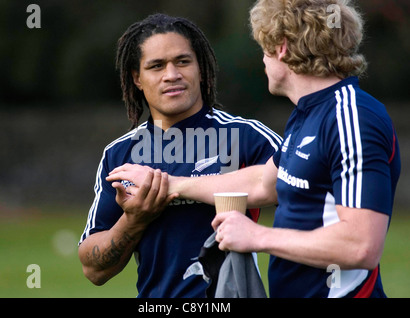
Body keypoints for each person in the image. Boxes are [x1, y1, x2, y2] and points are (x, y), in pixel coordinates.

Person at [107, 0, 401, 298]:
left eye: (264, 47)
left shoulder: (350, 116)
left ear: (282, 47)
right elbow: (263, 182)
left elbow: (361, 245)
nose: (263, 60)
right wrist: (168, 184)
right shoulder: (308, 115)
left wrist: (257, 236)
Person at [78, 13, 282, 298]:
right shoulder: (121, 155)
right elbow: (93, 269)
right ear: (137, 78)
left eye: (183, 61)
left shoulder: (247, 137)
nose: (172, 75)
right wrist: (135, 219)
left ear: (199, 68)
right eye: (156, 66)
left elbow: (301, 191)